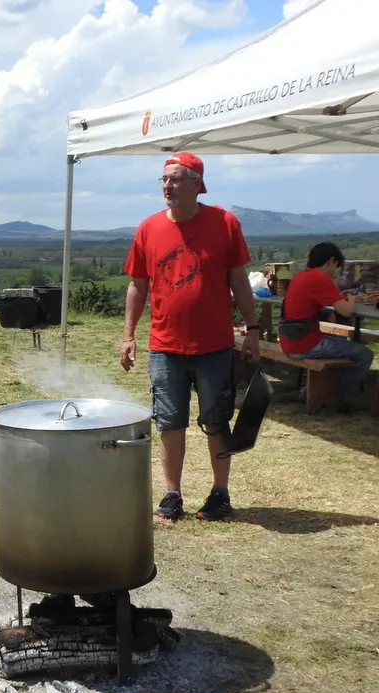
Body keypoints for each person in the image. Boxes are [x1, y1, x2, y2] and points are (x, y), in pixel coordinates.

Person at [120, 152, 261, 522]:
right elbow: (138, 285)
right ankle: (172, 494)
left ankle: (220, 493)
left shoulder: (224, 223)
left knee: (216, 421)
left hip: (213, 345)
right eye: (164, 179)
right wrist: (128, 335)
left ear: (198, 184)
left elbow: (239, 281)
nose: (168, 186)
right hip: (165, 347)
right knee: (169, 422)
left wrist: (253, 328)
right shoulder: (148, 228)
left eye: (177, 179)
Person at [278, 242, 374, 411]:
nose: (335, 271)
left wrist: (338, 296)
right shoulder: (321, 278)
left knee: (339, 342)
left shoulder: (302, 276)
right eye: (336, 266)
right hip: (305, 343)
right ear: (330, 261)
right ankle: (335, 397)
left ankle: (310, 392)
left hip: (289, 339)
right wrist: (352, 298)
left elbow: (316, 301)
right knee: (364, 354)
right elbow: (346, 312)